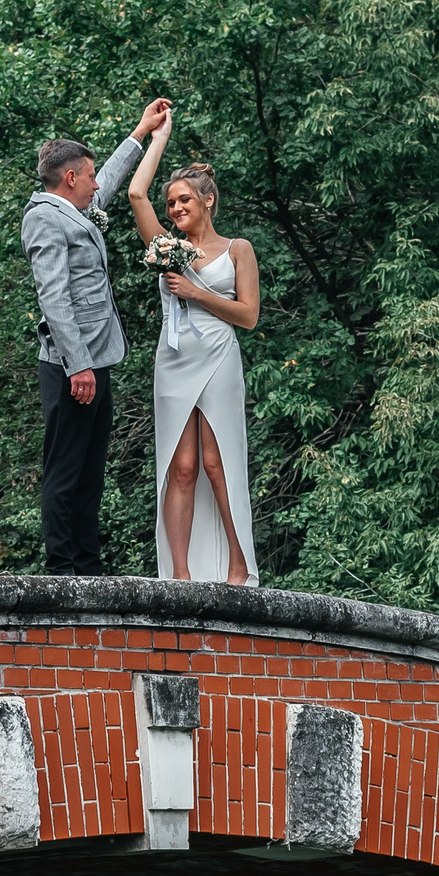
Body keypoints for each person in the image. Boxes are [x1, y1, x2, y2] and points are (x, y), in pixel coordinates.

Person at [21, 98, 173, 575]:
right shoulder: (43, 217)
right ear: (70, 178)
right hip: (72, 366)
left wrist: (141, 132)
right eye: (87, 176)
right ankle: (62, 570)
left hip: (96, 361)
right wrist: (78, 364)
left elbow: (106, 179)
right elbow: (54, 296)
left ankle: (87, 564)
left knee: (91, 471)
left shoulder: (73, 208)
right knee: (66, 470)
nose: (95, 183)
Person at [126, 112, 260, 583]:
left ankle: (238, 566)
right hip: (175, 358)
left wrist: (199, 293)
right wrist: (156, 137)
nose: (175, 207)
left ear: (207, 200)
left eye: (184, 199)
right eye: (172, 202)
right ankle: (178, 577)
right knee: (180, 467)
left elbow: (248, 315)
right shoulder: (166, 247)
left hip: (219, 353)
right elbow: (135, 194)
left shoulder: (238, 248)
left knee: (215, 460)